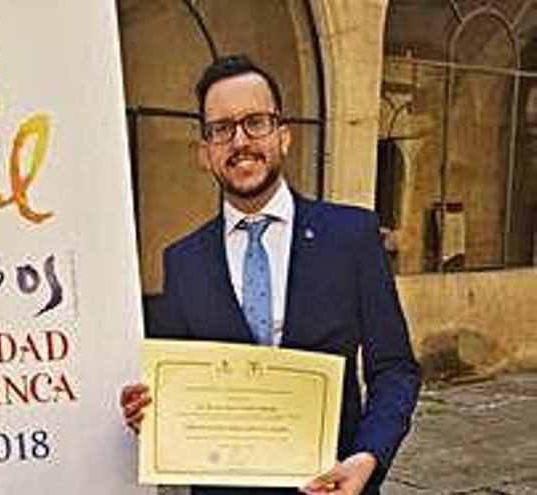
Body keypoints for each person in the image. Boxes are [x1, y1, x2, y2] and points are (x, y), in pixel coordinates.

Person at [120, 55, 421, 495]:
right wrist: (149, 410)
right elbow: (180, 390)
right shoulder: (182, 261)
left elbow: (395, 370)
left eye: (255, 122)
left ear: (283, 137)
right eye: (220, 129)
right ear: (205, 153)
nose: (240, 140)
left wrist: (368, 456)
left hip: (336, 488)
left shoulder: (351, 237)